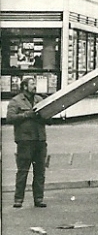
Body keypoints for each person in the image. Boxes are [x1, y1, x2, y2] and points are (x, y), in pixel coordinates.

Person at [7, 76, 47, 208]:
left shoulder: (39, 100)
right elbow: (10, 118)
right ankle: (18, 199)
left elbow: (49, 118)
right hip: (25, 141)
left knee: (40, 171)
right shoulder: (16, 101)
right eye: (32, 84)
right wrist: (25, 115)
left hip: (40, 139)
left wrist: (44, 116)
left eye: (35, 84)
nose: (34, 86)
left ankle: (39, 199)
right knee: (23, 170)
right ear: (25, 87)